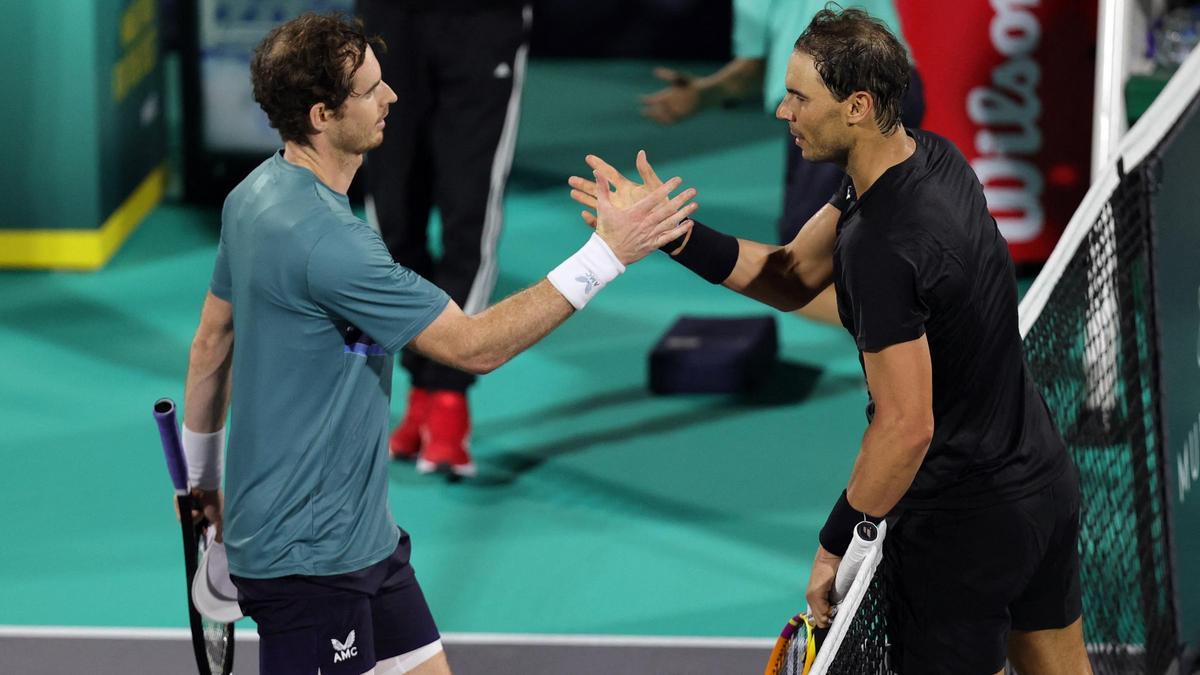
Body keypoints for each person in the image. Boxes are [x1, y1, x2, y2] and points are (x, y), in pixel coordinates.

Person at [570, 8, 1090, 675]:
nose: (783, 111)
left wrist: (836, 541)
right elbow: (790, 274)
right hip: (1042, 484)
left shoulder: (882, 247)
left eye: (798, 97)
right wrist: (673, 234)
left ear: (857, 106)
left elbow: (906, 427)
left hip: (963, 527)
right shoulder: (931, 156)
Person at [180, 13, 696, 675]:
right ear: (320, 114)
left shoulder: (252, 197)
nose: (391, 95)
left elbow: (208, 345)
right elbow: (475, 346)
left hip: (365, 541)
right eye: (368, 90)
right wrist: (607, 253)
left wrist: (201, 481)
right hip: (308, 564)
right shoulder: (332, 245)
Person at [638, 0, 923, 325]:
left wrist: (702, 95)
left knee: (799, 272)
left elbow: (749, 71)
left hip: (840, 107)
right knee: (852, 254)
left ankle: (921, 341)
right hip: (894, 91)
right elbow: (755, 69)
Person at [356, 0, 533, 476]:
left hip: (483, 22)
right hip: (391, 21)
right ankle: (421, 387)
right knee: (391, 219)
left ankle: (449, 394)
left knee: (469, 211)